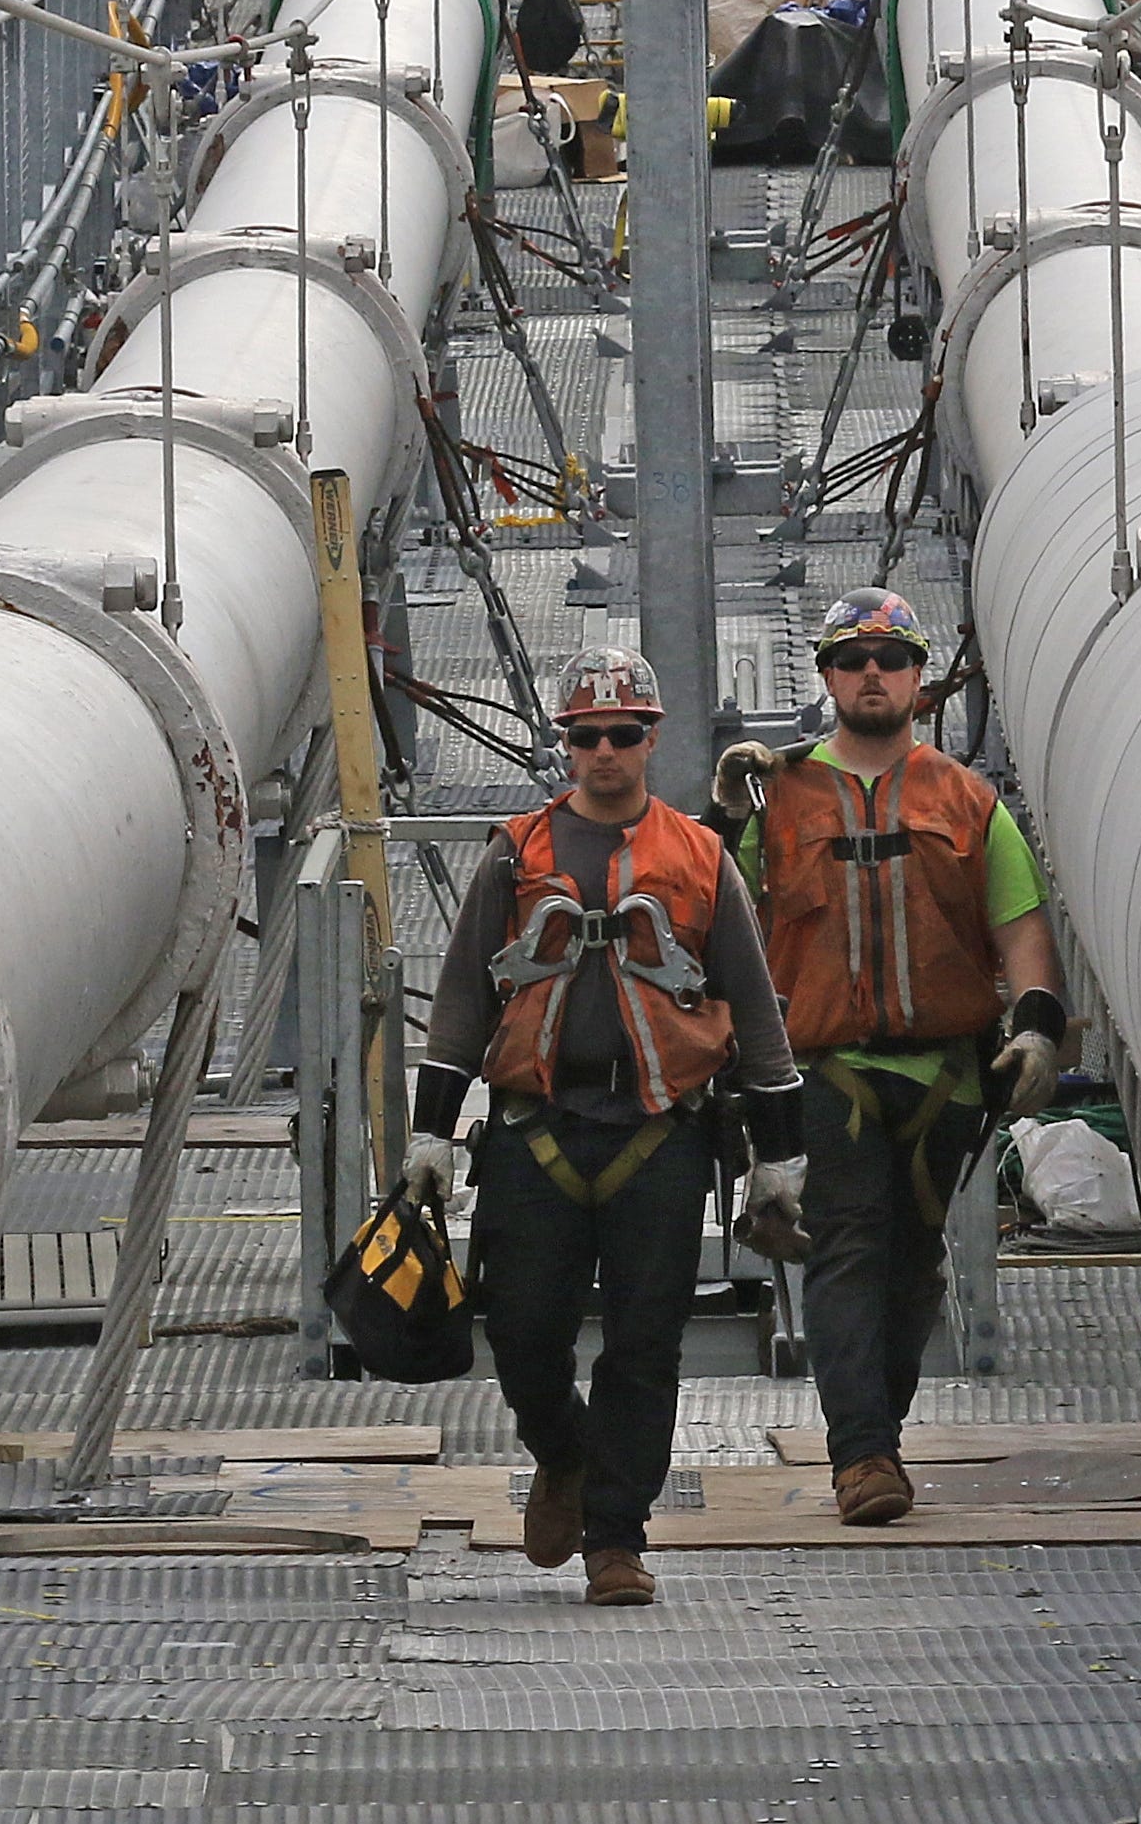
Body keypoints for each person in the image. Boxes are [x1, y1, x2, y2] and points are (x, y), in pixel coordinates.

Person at [404, 650, 806, 1607]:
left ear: (651, 738)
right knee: (523, 1330)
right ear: (564, 743)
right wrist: (428, 1133)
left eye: (623, 734)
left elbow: (751, 1005)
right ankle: (565, 1456)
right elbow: (463, 995)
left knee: (644, 1342)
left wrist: (780, 1155)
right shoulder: (515, 851)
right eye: (585, 735)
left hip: (658, 1134)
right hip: (534, 1130)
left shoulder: (699, 857)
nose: (604, 752)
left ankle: (616, 1538)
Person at [718, 586, 1063, 1527]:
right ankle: (861, 1455)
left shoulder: (966, 802)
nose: (872, 673)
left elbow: (1019, 928)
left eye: (892, 658)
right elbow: (714, 923)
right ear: (827, 676)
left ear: (919, 679)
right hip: (820, 1073)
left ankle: (878, 1434)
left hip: (942, 1077)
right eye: (852, 659)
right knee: (848, 1243)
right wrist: (720, 819)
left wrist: (1033, 1024)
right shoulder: (776, 796)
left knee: (911, 1269)